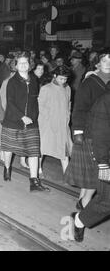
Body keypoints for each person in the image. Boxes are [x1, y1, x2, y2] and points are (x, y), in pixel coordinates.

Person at [64, 53, 110, 210]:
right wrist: (78, 131)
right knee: (94, 175)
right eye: (104, 61)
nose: (107, 64)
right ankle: (83, 207)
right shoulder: (90, 82)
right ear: (97, 64)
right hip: (90, 133)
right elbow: (79, 108)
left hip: (106, 135)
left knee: (92, 175)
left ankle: (82, 201)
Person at [1, 52, 50, 192]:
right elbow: (10, 103)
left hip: (31, 123)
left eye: (26, 63)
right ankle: (7, 167)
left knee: (34, 151)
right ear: (15, 65)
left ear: (30, 65)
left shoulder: (34, 80)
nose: (23, 65)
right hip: (13, 120)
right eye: (20, 63)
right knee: (9, 149)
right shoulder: (12, 82)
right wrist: (22, 117)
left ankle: (34, 182)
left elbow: (35, 101)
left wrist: (34, 117)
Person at [71, 81, 110, 242]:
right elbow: (100, 134)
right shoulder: (106, 101)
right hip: (106, 158)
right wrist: (103, 162)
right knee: (106, 202)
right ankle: (80, 220)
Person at [38, 66, 73, 174]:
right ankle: (37, 169)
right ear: (54, 76)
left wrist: (67, 118)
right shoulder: (46, 88)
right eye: (61, 78)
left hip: (63, 125)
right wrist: (48, 120)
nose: (63, 81)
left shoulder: (68, 88)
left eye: (65, 79)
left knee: (64, 150)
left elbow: (69, 105)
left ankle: (66, 174)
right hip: (48, 125)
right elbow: (41, 107)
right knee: (42, 148)